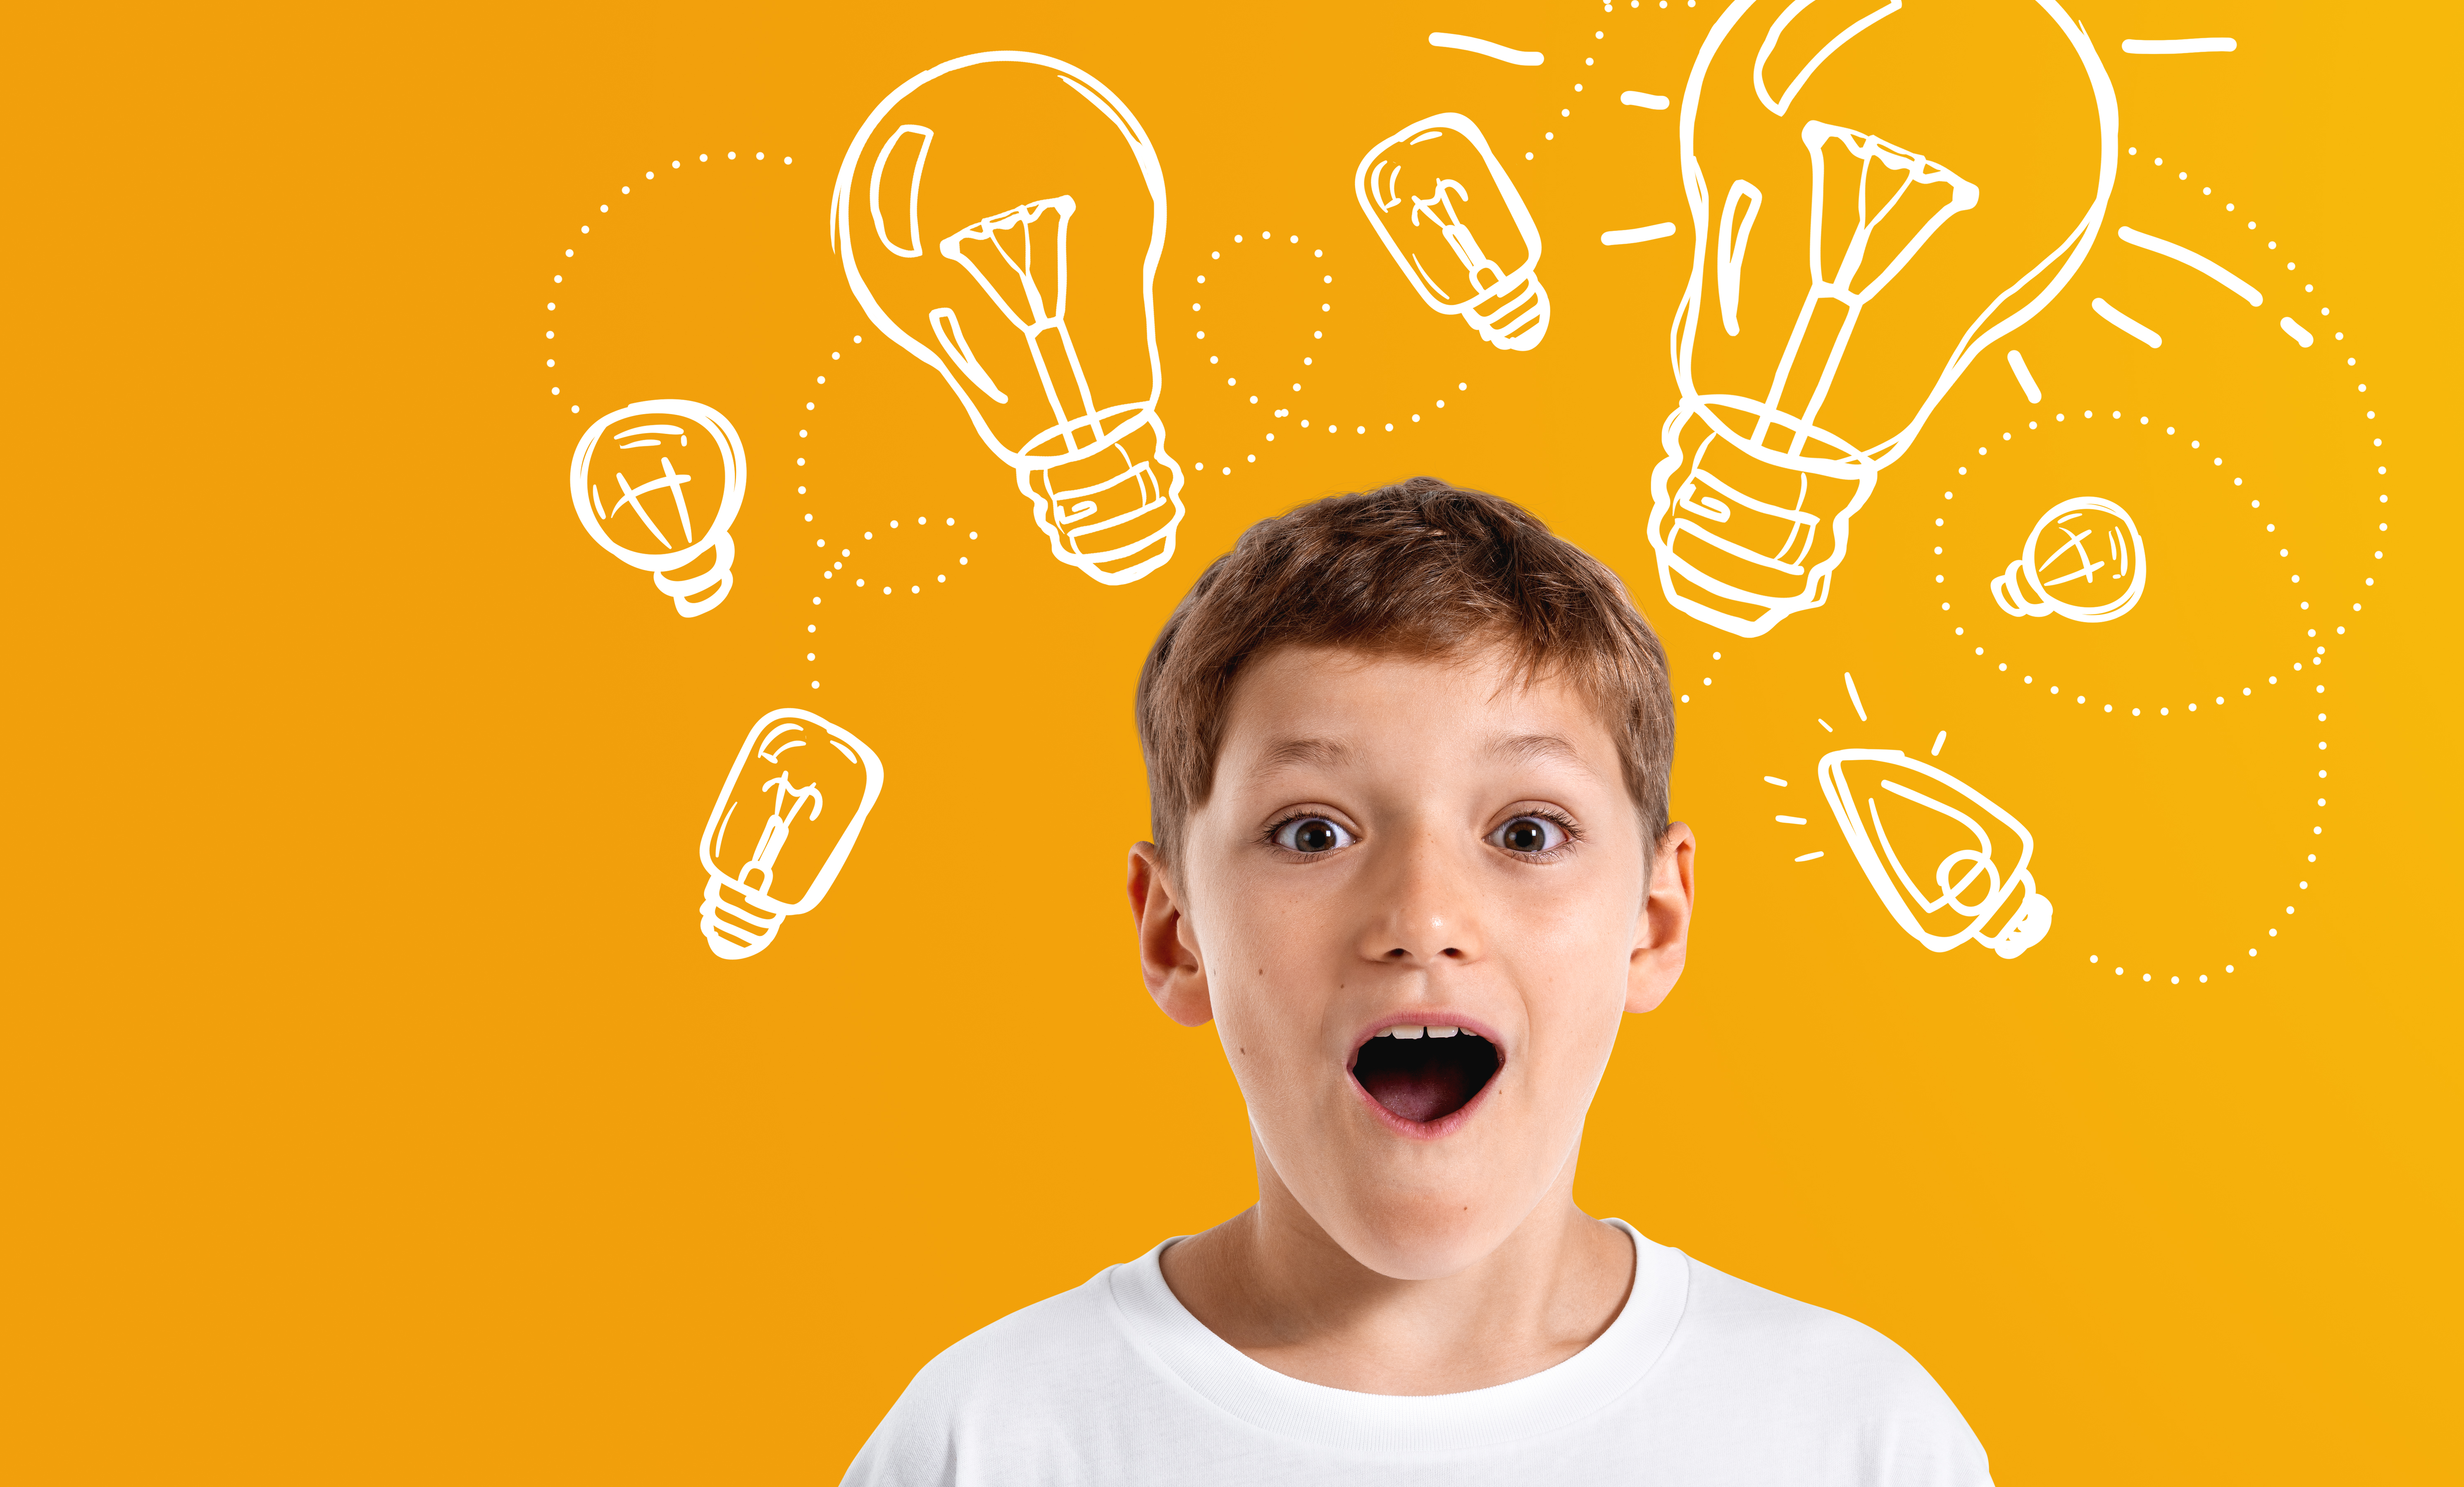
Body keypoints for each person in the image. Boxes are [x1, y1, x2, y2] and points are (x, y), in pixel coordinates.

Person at [840, 479, 1992, 1484]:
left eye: (1529, 832)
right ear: (1175, 933)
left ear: (1652, 920)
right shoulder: (990, 1442)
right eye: (1311, 833)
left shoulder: (1852, 1442)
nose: (1423, 920)